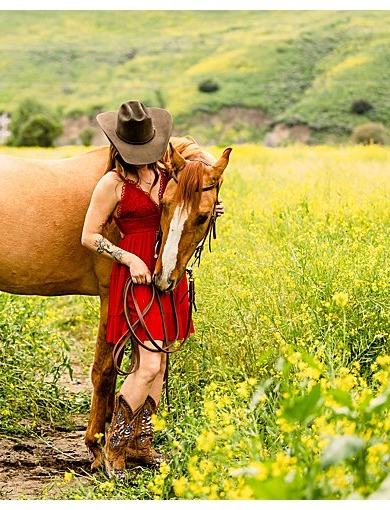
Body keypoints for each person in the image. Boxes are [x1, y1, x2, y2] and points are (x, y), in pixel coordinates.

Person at [80, 100, 221, 473]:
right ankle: (113, 448)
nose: (143, 157)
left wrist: (210, 206)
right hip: (136, 272)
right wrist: (128, 258)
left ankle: (141, 444)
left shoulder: (163, 177)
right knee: (147, 365)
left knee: (159, 366)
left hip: (165, 269)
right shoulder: (112, 184)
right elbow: (89, 236)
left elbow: (186, 206)